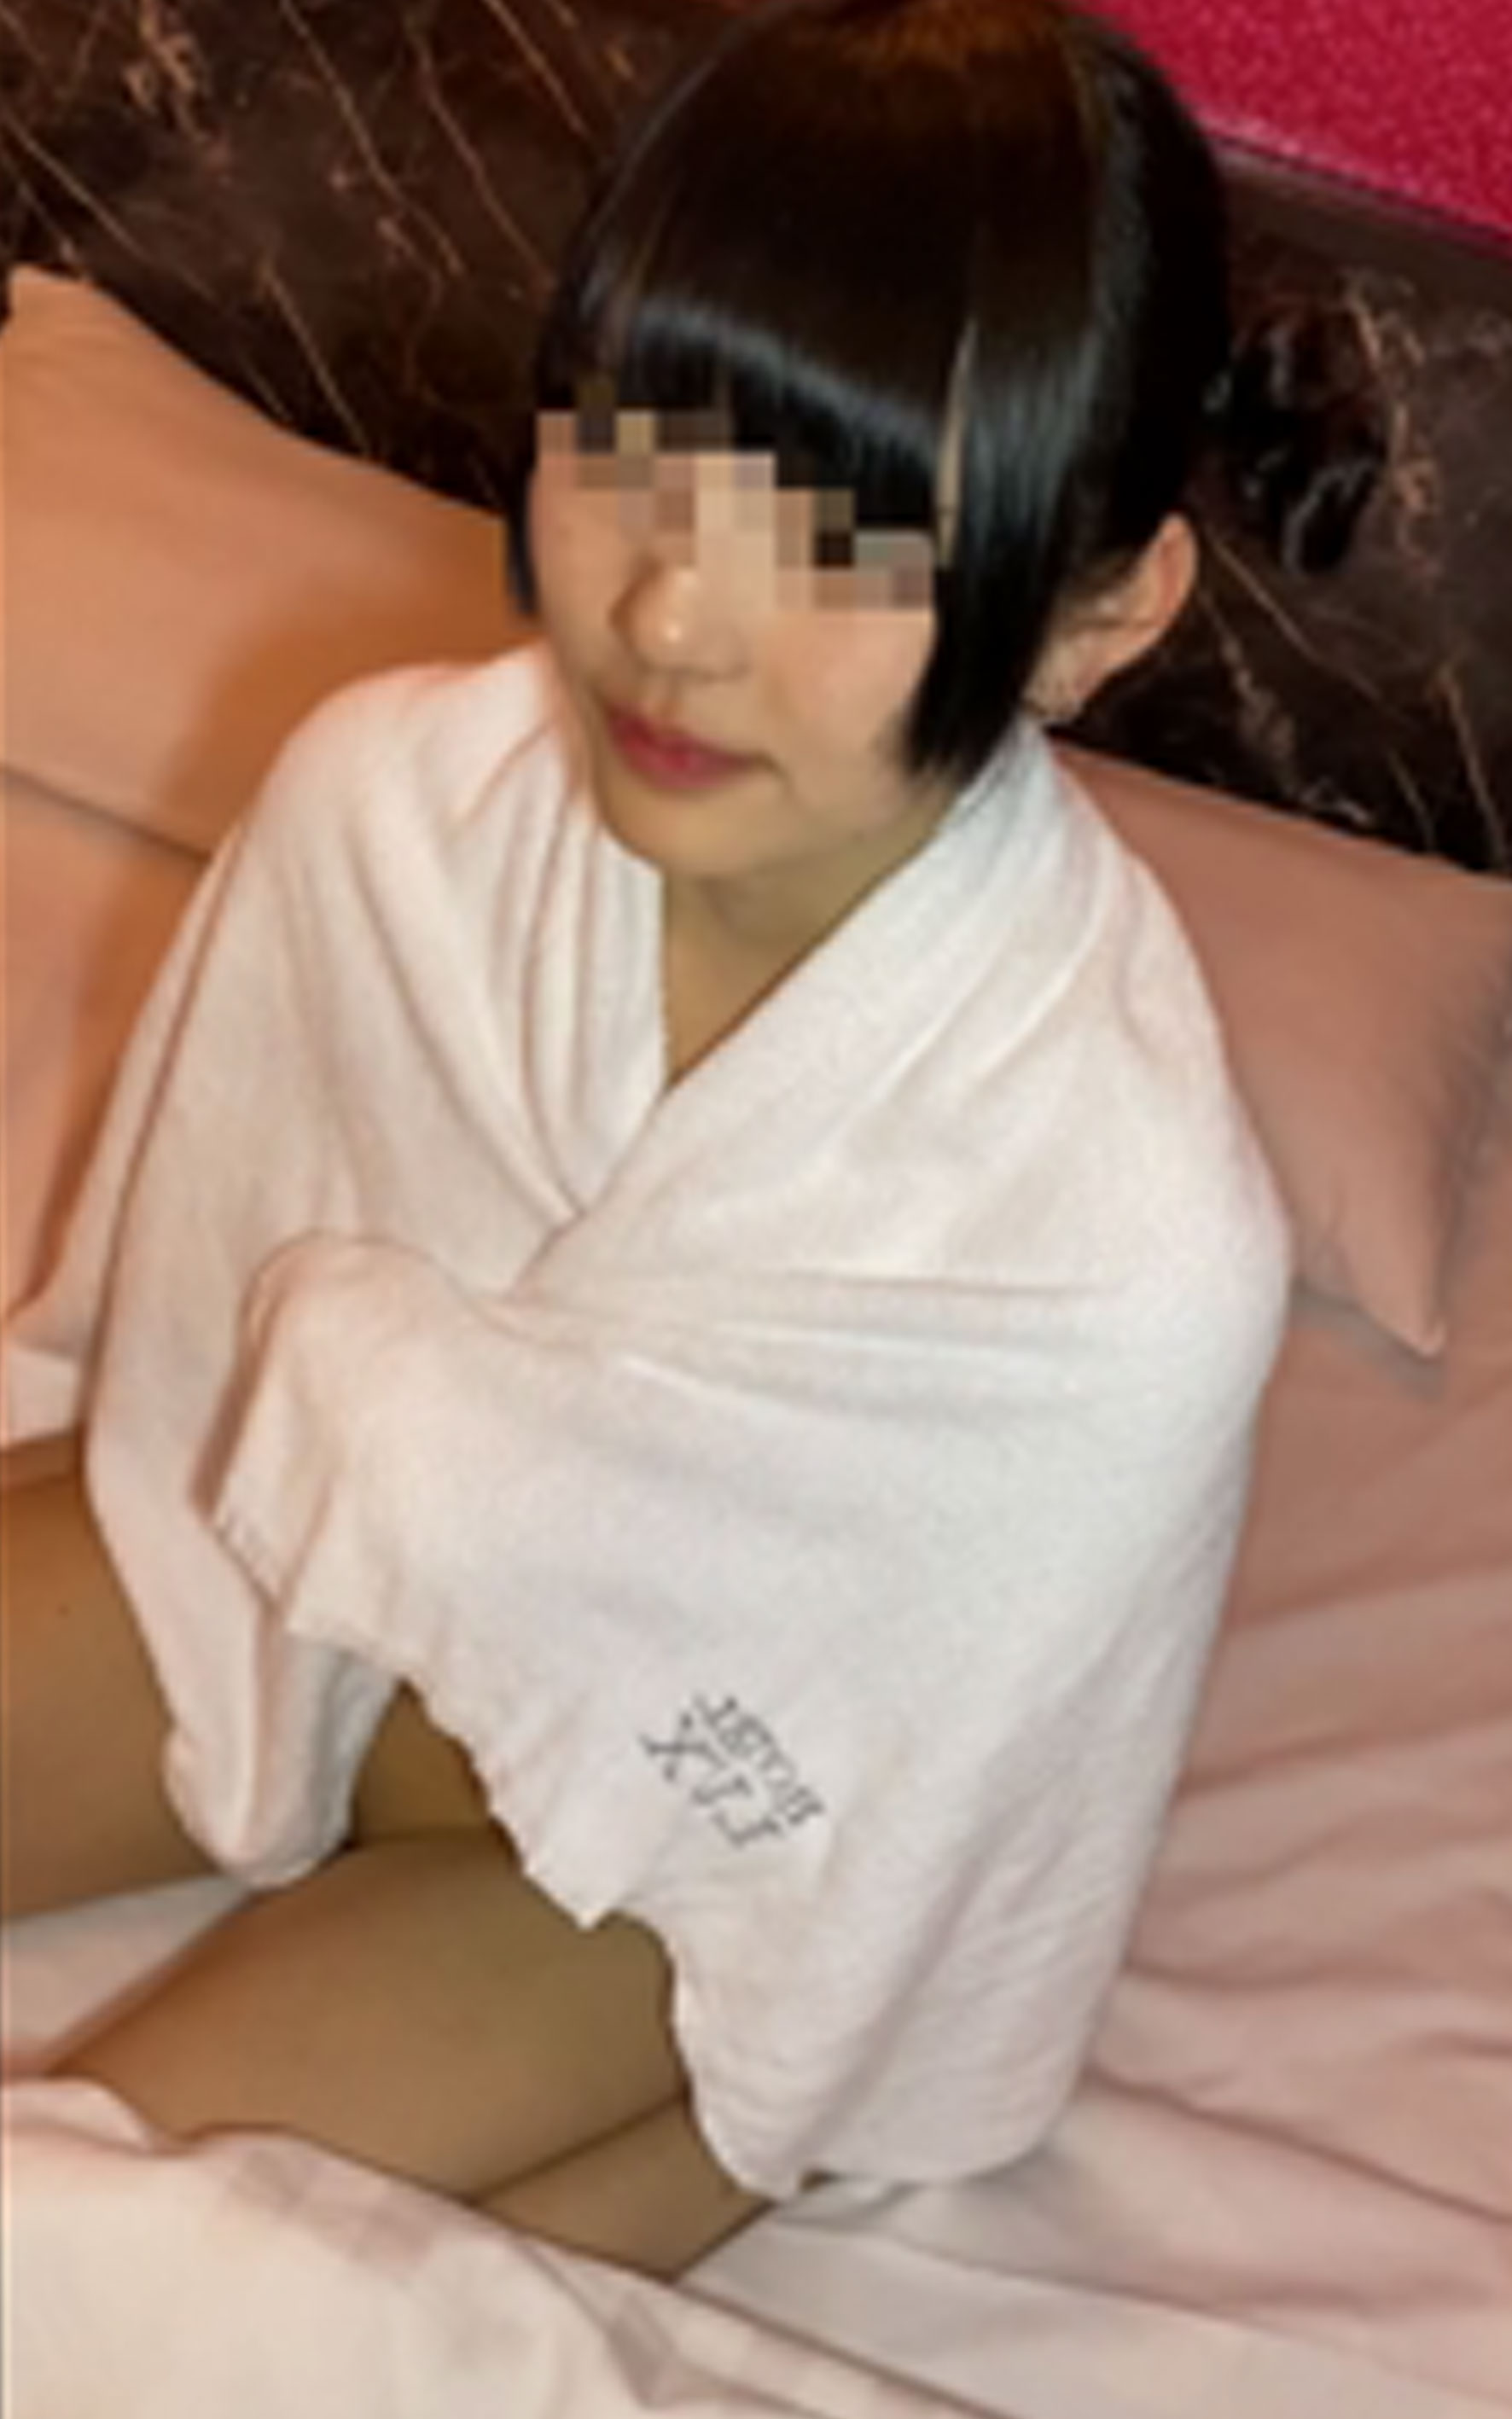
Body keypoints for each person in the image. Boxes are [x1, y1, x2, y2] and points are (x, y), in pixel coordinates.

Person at [3, 0, 1333, 2282]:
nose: (668, 615)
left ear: (1096, 614)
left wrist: (667, 2181)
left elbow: (879, 1878)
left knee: (90, 2272)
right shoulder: (389, 813)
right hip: (271, 1575)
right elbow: (194, 1363)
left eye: (851, 543)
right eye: (629, 450)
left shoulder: (1120, 1255)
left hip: (646, 1870)